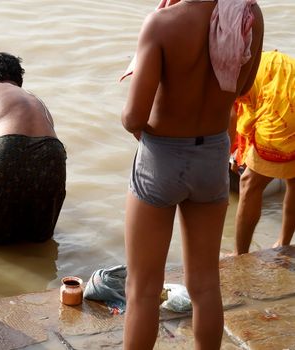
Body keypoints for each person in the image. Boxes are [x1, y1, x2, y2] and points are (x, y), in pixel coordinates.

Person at [120, 0, 263, 349]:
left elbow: (133, 116)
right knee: (204, 284)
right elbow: (242, 88)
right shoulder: (248, 13)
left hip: (162, 157)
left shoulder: (162, 23)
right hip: (213, 153)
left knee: (142, 289)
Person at [0, 52, 66, 244]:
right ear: (19, 81)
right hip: (53, 153)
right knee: (38, 239)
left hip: (8, 148)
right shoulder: (36, 100)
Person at [231, 50, 295, 254]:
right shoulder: (252, 60)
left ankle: (240, 255)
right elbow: (250, 112)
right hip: (284, 87)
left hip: (283, 106)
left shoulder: (221, 78)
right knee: (293, 179)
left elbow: (232, 117)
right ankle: (284, 243)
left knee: (249, 183)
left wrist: (231, 153)